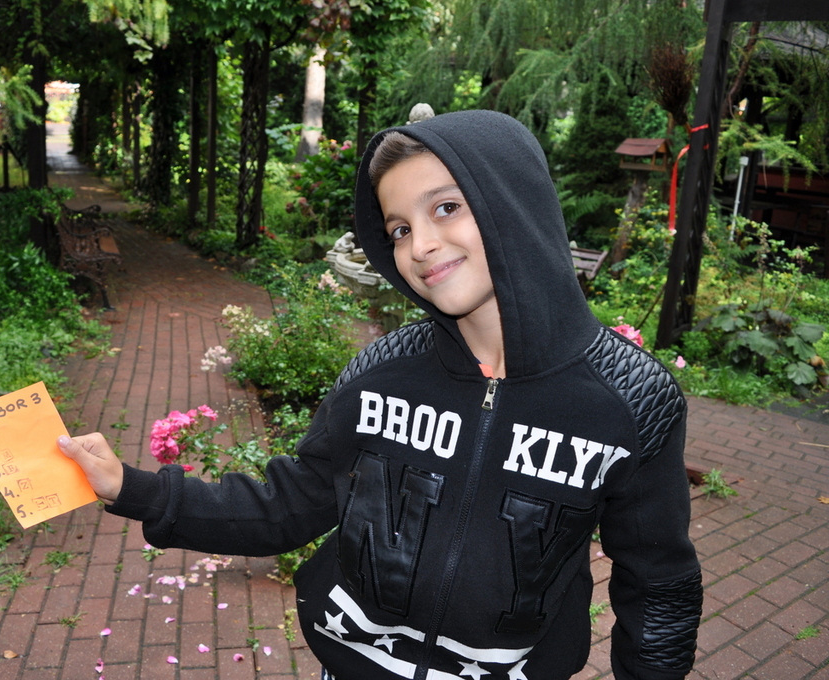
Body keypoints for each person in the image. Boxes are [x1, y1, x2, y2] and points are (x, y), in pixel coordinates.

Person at [58, 109, 703, 680]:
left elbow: (659, 583)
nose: (420, 246)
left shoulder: (632, 399)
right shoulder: (380, 372)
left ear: (514, 202)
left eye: (445, 208)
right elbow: (290, 504)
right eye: (398, 228)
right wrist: (129, 487)